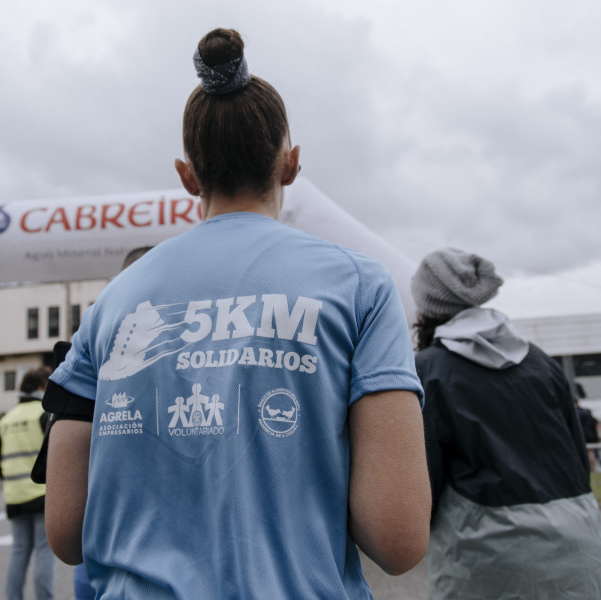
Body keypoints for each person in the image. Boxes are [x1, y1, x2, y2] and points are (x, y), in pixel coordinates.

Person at [42, 27, 430, 598]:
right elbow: (398, 540)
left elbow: (66, 532)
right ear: (290, 164)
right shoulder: (360, 287)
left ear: (188, 175)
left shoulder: (112, 304)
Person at [411, 248, 601, 600]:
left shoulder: (429, 369)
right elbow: (577, 456)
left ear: (427, 305)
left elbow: (425, 477)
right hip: (579, 538)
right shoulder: (540, 361)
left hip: (485, 550)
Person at [0, 366, 56, 600]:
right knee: (44, 551)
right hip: (40, 494)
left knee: (19, 552)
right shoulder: (43, 414)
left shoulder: (6, 419)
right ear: (41, 387)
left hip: (14, 495)